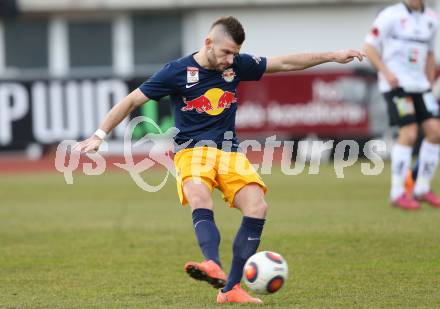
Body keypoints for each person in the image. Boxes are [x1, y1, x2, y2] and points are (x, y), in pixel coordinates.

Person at [74, 16, 364, 304]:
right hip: (191, 151)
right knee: (200, 196)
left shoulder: (237, 65)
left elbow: (285, 63)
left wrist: (333, 55)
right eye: (226, 52)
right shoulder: (176, 72)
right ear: (208, 43)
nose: (230, 59)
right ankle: (211, 262)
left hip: (229, 151)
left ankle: (230, 289)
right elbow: (130, 101)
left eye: (235, 53)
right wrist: (100, 134)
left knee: (257, 206)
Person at [364, 0, 440, 210]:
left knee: (436, 132)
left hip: (421, 86)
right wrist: (385, 72)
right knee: (409, 133)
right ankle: (397, 192)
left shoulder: (432, 19)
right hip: (397, 85)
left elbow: (430, 54)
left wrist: (430, 82)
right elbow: (369, 47)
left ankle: (422, 188)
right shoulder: (391, 15)